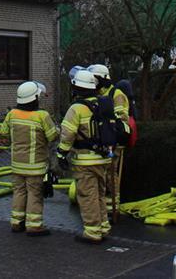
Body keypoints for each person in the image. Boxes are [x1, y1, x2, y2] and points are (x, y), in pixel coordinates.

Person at [57, 69, 113, 244]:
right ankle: (103, 227)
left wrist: (61, 154)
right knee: (100, 194)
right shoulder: (103, 103)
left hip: (85, 160)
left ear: (76, 88)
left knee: (87, 196)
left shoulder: (76, 108)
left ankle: (92, 232)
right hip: (103, 158)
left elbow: (67, 134)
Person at [0, 81, 58, 236]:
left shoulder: (12, 114)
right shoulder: (42, 116)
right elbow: (52, 136)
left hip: (16, 165)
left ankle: (16, 222)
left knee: (19, 192)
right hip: (35, 166)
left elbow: (3, 132)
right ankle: (34, 225)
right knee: (34, 193)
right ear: (34, 98)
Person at [86, 63, 131, 219]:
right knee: (101, 174)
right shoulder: (96, 94)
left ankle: (113, 205)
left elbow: (121, 119)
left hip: (114, 141)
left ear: (102, 78)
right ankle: (102, 206)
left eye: (95, 79)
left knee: (111, 174)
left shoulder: (116, 94)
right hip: (100, 142)